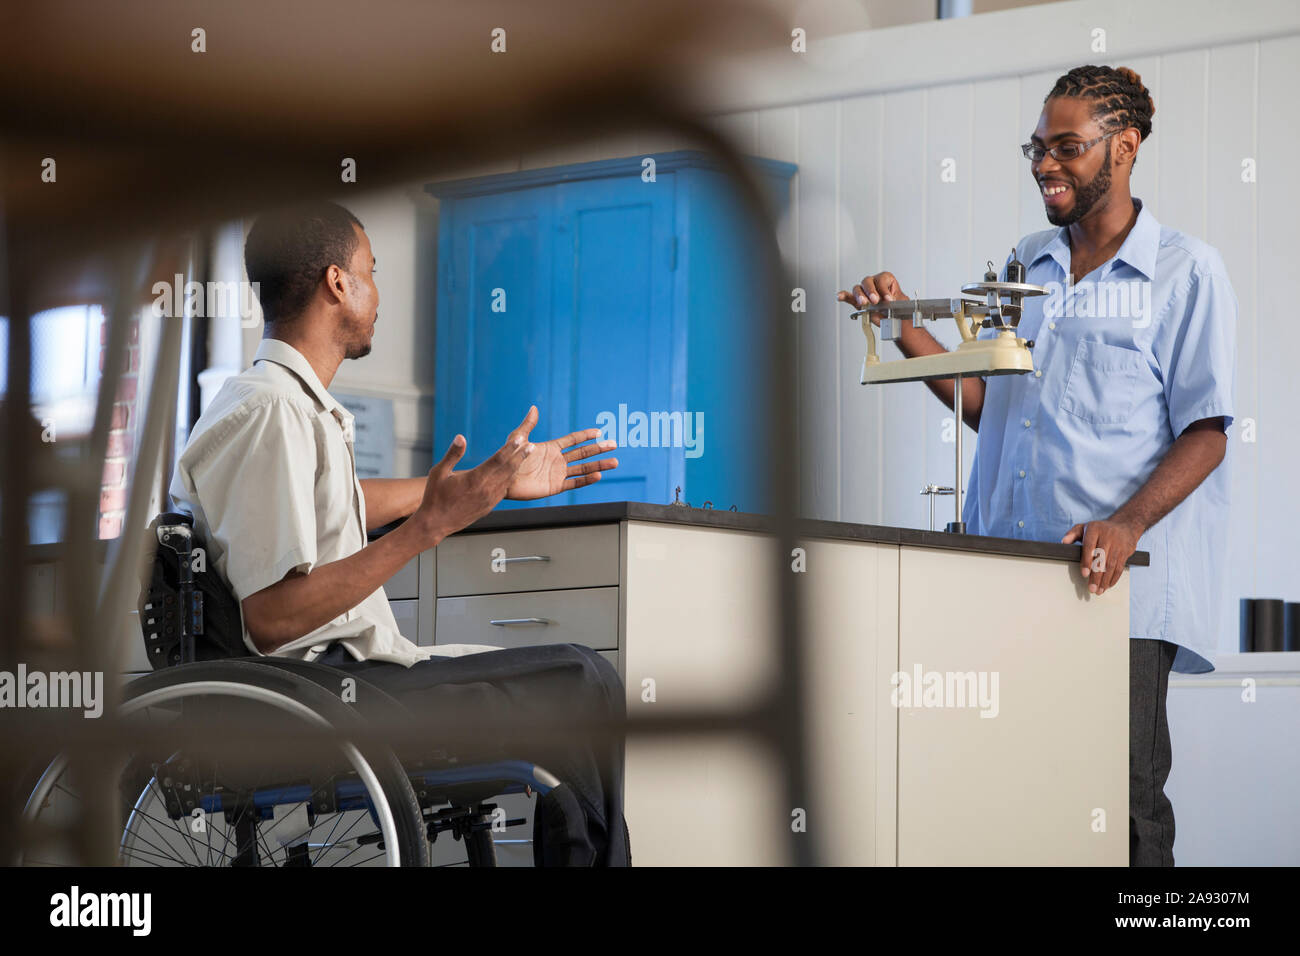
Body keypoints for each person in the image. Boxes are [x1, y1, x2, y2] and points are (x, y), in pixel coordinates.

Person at [838, 65, 1236, 867]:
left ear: (1124, 148)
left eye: (1067, 147)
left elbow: (1208, 430)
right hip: (1004, 575)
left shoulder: (1186, 272)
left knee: (1120, 809)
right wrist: (904, 326)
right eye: (1037, 147)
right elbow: (993, 406)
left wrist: (1124, 525)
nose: (1044, 165)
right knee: (1009, 792)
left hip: (1108, 585)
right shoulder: (1026, 265)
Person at [169, 200, 629, 865]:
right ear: (337, 284)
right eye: (371, 271)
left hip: (330, 687)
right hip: (317, 696)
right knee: (580, 683)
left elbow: (337, 501)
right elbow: (273, 617)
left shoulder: (278, 402)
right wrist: (427, 529)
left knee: (576, 682)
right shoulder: (272, 412)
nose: (378, 294)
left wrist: (486, 485)